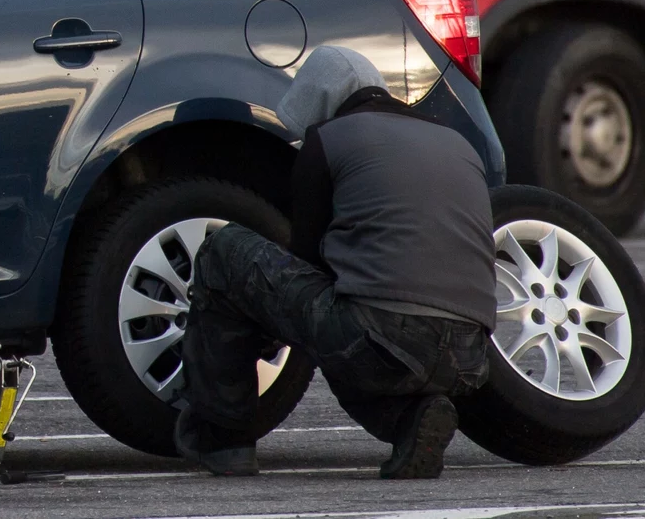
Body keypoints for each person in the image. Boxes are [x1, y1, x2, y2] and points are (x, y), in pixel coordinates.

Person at [174, 46, 496, 480]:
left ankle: (223, 440)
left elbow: (307, 265)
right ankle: (411, 420)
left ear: (319, 101)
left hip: (381, 335)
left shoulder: (329, 139)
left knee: (226, 250)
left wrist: (257, 328)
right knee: (356, 346)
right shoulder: (455, 142)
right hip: (471, 357)